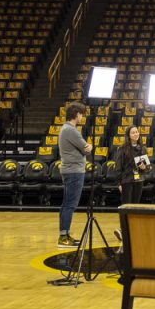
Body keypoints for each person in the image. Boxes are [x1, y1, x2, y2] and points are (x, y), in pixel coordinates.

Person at [58, 101, 92, 246]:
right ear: (77, 114)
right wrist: (88, 146)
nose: (82, 117)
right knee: (69, 205)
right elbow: (87, 148)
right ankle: (63, 236)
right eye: (81, 114)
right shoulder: (71, 130)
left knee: (68, 204)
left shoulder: (66, 129)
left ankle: (65, 234)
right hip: (74, 171)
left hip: (71, 170)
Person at [113, 125, 150, 205]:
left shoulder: (143, 149)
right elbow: (118, 167)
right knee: (127, 205)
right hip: (127, 180)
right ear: (128, 135)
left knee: (135, 205)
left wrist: (144, 167)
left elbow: (147, 167)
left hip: (139, 180)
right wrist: (119, 184)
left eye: (137, 132)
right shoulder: (122, 149)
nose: (136, 134)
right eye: (133, 133)